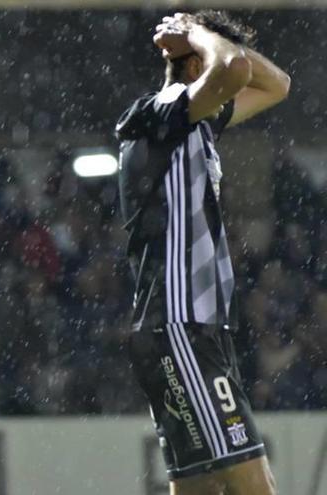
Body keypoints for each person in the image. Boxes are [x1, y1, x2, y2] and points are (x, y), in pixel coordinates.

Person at [115, 10, 290, 495]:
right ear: (197, 70)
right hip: (180, 326)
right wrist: (196, 35)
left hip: (190, 328)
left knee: (199, 489)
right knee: (255, 485)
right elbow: (233, 71)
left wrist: (200, 35)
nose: (234, 98)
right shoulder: (163, 110)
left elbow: (278, 85)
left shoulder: (193, 124)